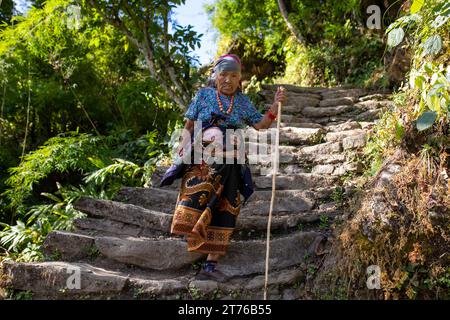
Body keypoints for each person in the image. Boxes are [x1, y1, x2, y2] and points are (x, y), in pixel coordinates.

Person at [160, 54, 286, 282]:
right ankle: (195, 235)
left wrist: (275, 106)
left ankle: (210, 264)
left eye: (234, 76)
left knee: (226, 207)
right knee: (202, 199)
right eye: (223, 75)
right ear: (215, 76)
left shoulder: (243, 102)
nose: (228, 80)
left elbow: (261, 125)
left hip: (233, 163)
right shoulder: (204, 95)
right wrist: (182, 146)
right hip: (204, 160)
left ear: (240, 80)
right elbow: (189, 125)